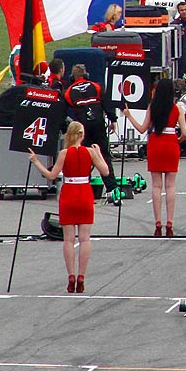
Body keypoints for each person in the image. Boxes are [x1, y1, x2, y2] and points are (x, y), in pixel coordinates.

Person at [30, 119, 111, 292]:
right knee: (84, 238)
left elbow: (51, 175)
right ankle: (82, 275)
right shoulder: (90, 152)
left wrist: (36, 162)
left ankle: (71, 275)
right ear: (82, 135)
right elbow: (105, 171)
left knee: (68, 239)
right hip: (84, 193)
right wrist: (99, 154)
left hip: (69, 193)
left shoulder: (64, 153)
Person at [129, 78, 186, 237]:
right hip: (170, 143)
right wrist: (177, 140)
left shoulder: (152, 107)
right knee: (170, 185)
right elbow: (185, 133)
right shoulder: (177, 109)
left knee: (156, 186)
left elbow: (142, 129)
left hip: (156, 143)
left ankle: (157, 222)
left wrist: (129, 115)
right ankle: (170, 221)